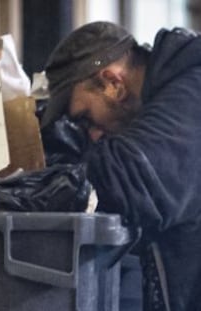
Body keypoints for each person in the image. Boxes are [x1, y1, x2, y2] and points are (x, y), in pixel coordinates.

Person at [42, 21, 201, 311]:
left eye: (86, 117)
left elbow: (127, 179)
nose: (92, 134)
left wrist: (33, 188)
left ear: (113, 83)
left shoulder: (193, 92)